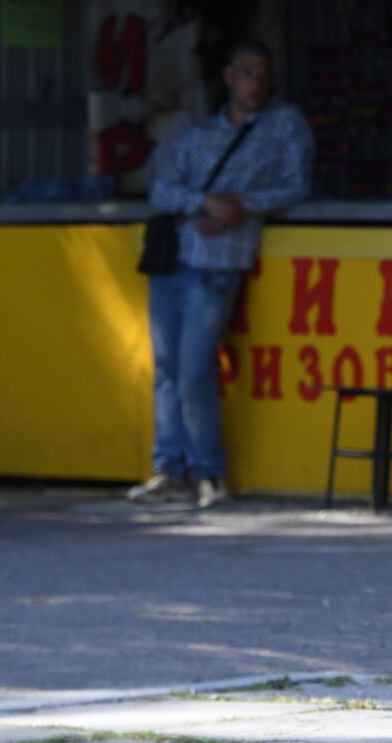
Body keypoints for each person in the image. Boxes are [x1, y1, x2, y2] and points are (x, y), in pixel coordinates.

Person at [129, 41, 313, 509]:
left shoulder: (283, 126)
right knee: (167, 368)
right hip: (174, 258)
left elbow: (297, 185)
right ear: (229, 77)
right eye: (248, 72)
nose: (256, 82)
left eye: (263, 73)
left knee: (194, 370)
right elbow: (162, 187)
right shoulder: (199, 133)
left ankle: (210, 473)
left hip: (220, 260)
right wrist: (205, 203)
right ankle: (169, 469)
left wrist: (242, 207)